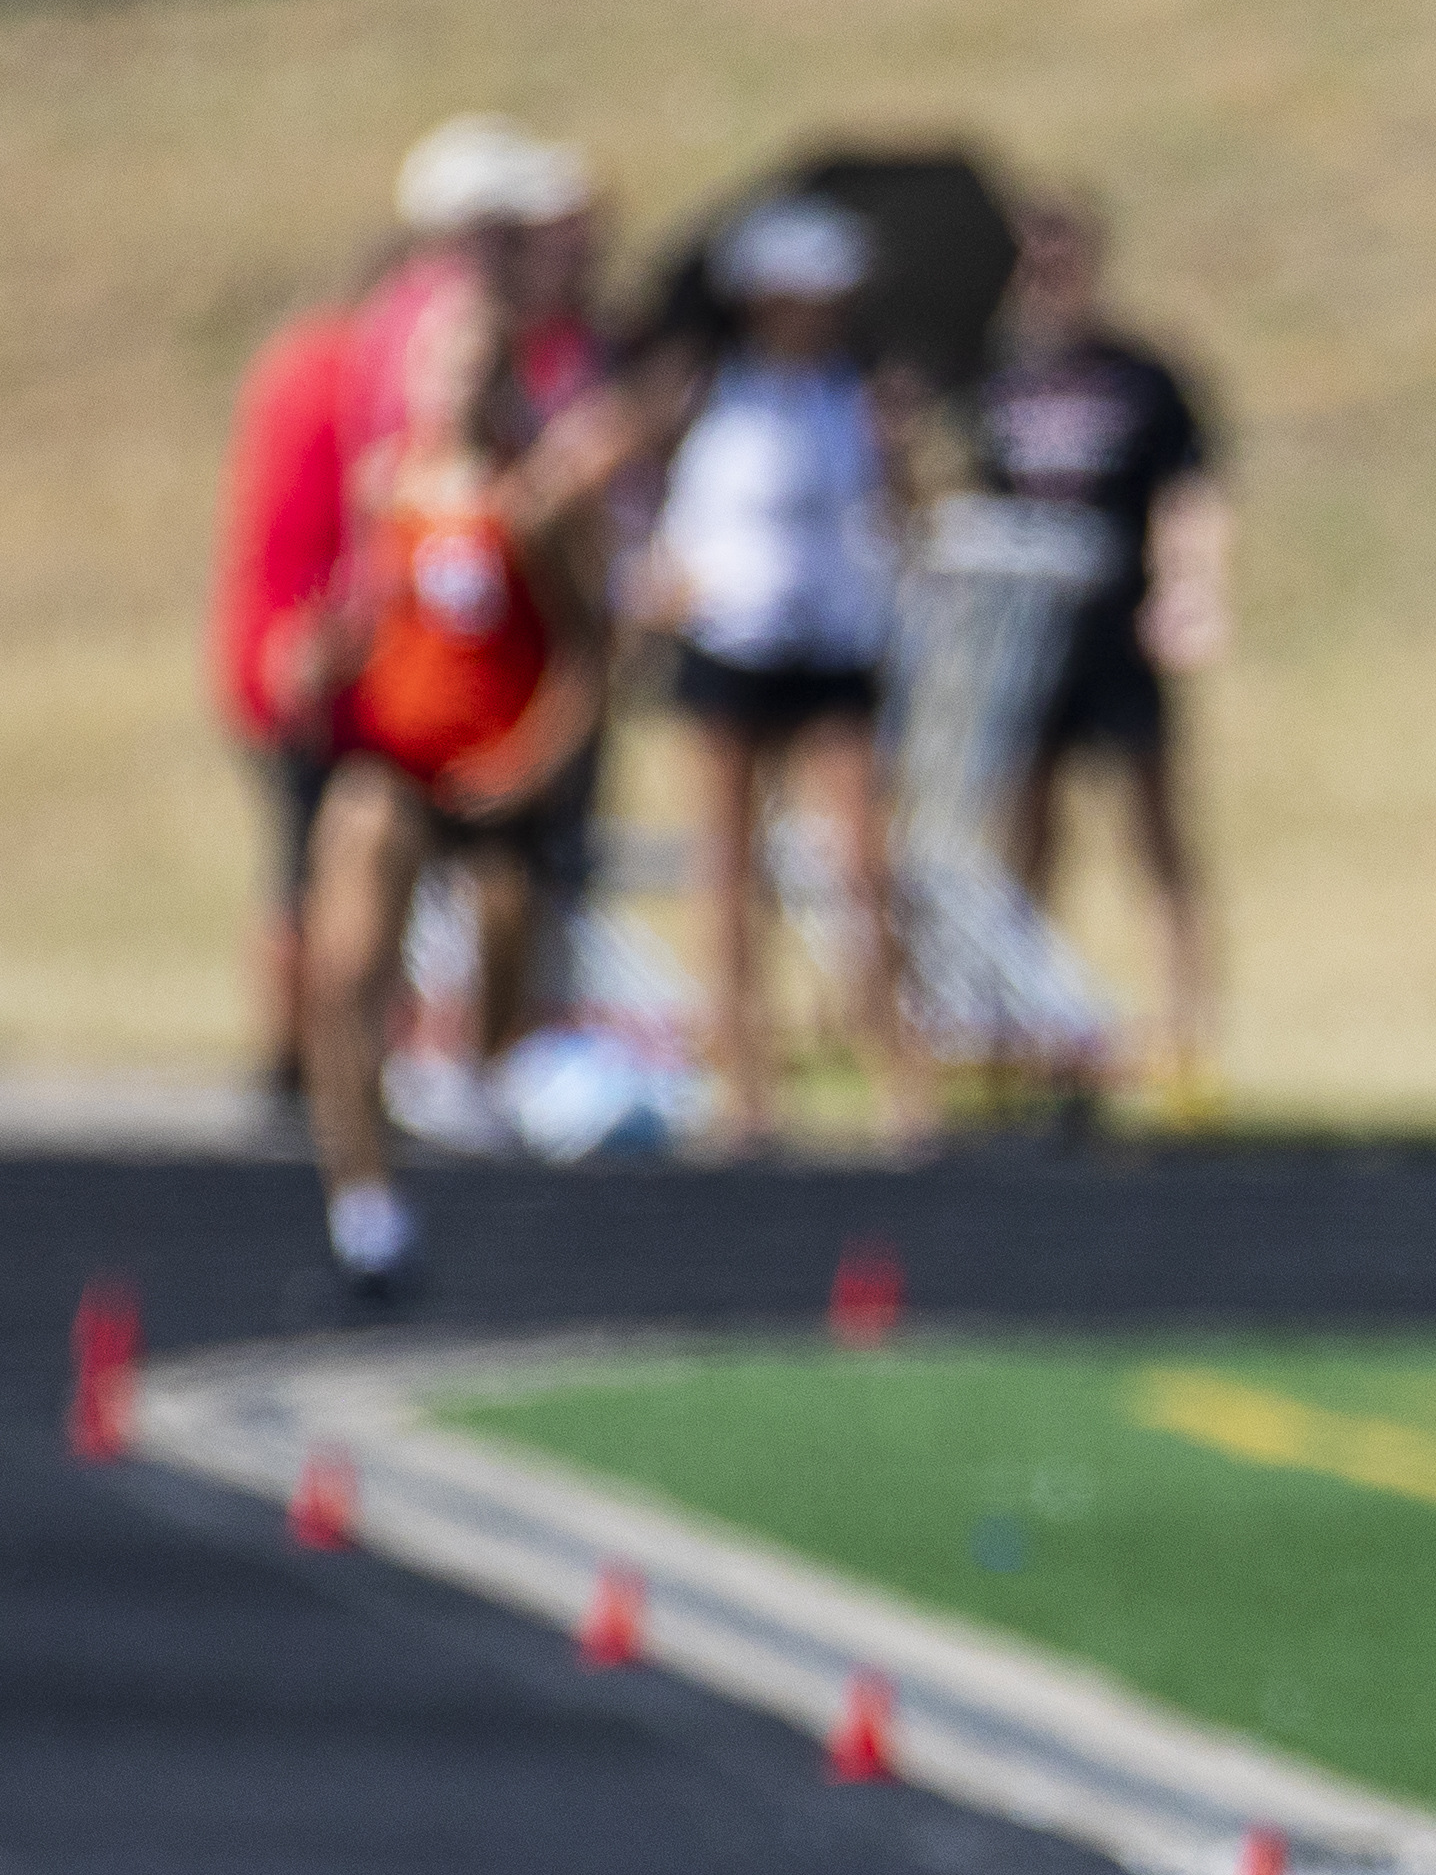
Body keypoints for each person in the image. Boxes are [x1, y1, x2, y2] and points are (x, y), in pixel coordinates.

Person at [210, 117, 601, 1126]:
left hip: (452, 688)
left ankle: (380, 1098)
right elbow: (375, 527)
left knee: (471, 903)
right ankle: (323, 1098)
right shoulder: (421, 339)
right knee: (340, 903)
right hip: (375, 683)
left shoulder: (494, 342)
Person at [285, 273, 631, 1299]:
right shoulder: (385, 484)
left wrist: (529, 763)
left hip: (495, 781)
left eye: (479, 366)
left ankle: (473, 1104)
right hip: (398, 762)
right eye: (442, 363)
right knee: (342, 963)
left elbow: (586, 655)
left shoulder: (531, 502)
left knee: (503, 974)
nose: (456, 385)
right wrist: (322, 658)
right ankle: (362, 1201)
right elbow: (368, 618)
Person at [637, 197, 938, 1156]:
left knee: (862, 862)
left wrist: (902, 459)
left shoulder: (860, 394)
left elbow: (901, 510)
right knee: (729, 865)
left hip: (832, 643)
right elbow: (638, 487)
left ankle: (898, 1067)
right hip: (732, 638)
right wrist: (652, 571)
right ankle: (744, 1078)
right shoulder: (705, 388)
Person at [979, 190, 1240, 1113]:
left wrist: (1192, 592)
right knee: (1027, 840)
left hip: (1117, 634)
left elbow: (1189, 493)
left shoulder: (1142, 376)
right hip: (1022, 642)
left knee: (1157, 837)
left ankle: (1183, 1038)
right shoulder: (991, 377)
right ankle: (1017, 1030)